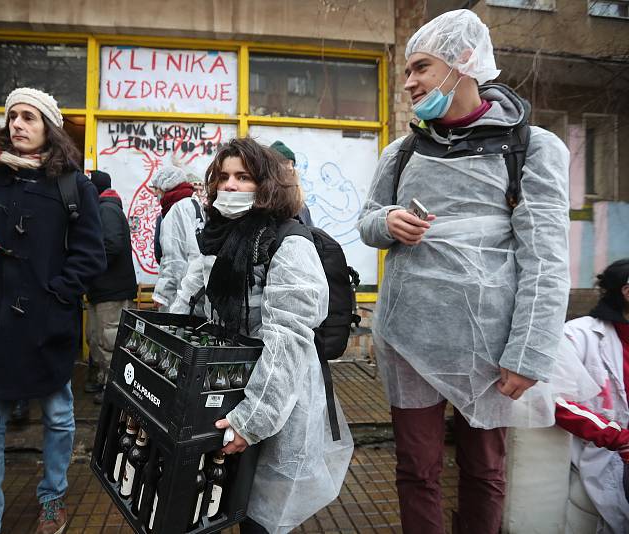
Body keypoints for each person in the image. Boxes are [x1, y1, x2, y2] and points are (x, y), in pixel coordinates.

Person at [357, 10, 570, 534]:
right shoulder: (401, 151)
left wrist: (529, 352)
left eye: (420, 68)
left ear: (464, 64)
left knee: (485, 469)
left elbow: (544, 260)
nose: (408, 83)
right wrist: (387, 222)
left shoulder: (532, 148)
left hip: (491, 342)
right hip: (409, 335)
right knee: (416, 469)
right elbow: (365, 221)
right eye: (407, 71)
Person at [170, 138, 353, 534]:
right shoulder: (215, 237)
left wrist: (252, 420)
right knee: (219, 500)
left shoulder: (288, 242)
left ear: (266, 184)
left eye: (243, 177)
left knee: (260, 518)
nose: (230, 186)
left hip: (276, 400)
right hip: (224, 390)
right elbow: (190, 303)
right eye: (223, 177)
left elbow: (288, 340)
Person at [0, 87, 106, 534]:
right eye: (13, 117)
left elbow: (91, 255)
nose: (17, 125)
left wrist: (56, 295)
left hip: (45, 324)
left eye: (29, 118)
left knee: (59, 419)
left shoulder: (73, 185)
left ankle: (53, 497)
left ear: (49, 128)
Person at [553, 259, 629, 532]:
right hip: (610, 451)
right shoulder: (576, 335)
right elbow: (553, 400)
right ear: (626, 292)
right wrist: (618, 438)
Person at [84, 170, 136, 403]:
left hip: (111, 291)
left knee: (110, 340)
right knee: (96, 338)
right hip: (101, 290)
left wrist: (87, 265)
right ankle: (105, 380)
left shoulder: (106, 209)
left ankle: (114, 388)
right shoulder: (105, 208)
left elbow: (112, 245)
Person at [151, 166, 203, 312]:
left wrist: (161, 295)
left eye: (157, 188)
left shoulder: (176, 210)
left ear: (166, 185)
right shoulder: (193, 204)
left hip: (181, 291)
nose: (155, 193)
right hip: (197, 287)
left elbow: (173, 258)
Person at [269, 140, 313, 226]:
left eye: (292, 164)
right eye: (285, 162)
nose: (290, 168)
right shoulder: (263, 202)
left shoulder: (301, 206)